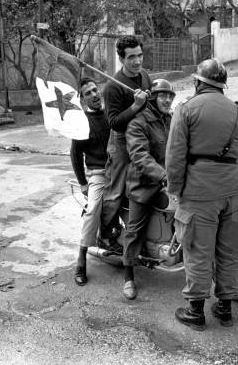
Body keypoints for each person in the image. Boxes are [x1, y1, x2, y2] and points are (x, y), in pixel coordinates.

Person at [166, 58, 238, 330]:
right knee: (228, 250)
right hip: (234, 191)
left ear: (196, 82)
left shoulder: (186, 109)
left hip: (201, 191)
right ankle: (225, 307)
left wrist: (175, 191)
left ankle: (195, 311)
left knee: (198, 251)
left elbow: (175, 158)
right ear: (223, 86)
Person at [121, 79, 175, 300]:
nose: (168, 99)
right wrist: (162, 175)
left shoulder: (171, 120)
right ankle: (129, 277)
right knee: (135, 229)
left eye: (170, 96)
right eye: (163, 95)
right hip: (143, 184)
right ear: (152, 97)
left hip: (168, 181)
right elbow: (140, 156)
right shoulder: (138, 123)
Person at [101, 36, 152, 241]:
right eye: (131, 57)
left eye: (140, 55)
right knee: (115, 194)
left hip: (142, 137)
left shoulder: (145, 76)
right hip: (121, 142)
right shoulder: (113, 86)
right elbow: (113, 123)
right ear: (122, 59)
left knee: (145, 185)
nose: (137, 61)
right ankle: (105, 236)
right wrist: (135, 106)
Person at [69, 77, 112, 286]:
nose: (94, 95)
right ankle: (81, 259)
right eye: (88, 93)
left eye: (95, 90)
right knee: (93, 209)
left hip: (121, 171)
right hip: (99, 173)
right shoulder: (82, 122)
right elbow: (75, 155)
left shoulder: (111, 114)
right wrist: (83, 183)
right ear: (83, 99)